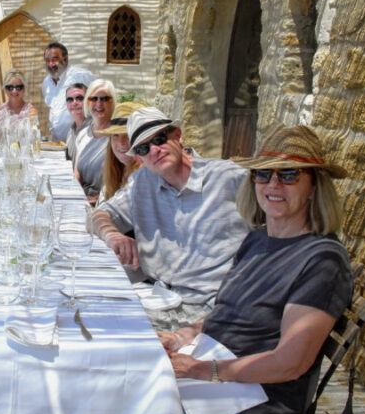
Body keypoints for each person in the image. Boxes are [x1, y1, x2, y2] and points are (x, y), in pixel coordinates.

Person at [159, 124, 353, 414]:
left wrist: (197, 370)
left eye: (288, 174)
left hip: (256, 401)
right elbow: (229, 310)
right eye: (263, 174)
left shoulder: (322, 260)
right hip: (214, 369)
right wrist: (182, 335)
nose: (273, 183)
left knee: (133, 409)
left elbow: (289, 362)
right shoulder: (257, 239)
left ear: (314, 186)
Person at [92, 106, 249, 328]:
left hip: (211, 309)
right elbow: (98, 214)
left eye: (160, 139)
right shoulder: (142, 182)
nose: (154, 150)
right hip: (158, 298)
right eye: (144, 148)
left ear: (178, 135)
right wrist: (112, 235)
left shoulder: (227, 177)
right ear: (139, 157)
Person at [73, 79, 116, 204]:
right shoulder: (83, 134)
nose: (99, 103)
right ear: (87, 102)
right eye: (94, 99)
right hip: (82, 199)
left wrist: (96, 201)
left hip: (106, 202)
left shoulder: (117, 136)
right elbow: (77, 173)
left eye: (104, 99)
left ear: (112, 102)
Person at [41, 42, 94, 141]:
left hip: (80, 140)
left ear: (65, 59)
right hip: (57, 143)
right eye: (47, 60)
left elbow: (95, 102)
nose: (50, 64)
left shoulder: (81, 76)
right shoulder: (46, 83)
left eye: (54, 59)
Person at [96, 101, 145, 204]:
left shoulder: (143, 177)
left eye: (127, 135)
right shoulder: (117, 169)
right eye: (115, 135)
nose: (121, 142)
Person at [64, 82, 88, 161]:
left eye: (79, 98)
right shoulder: (71, 130)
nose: (74, 103)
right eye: (70, 99)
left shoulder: (94, 130)